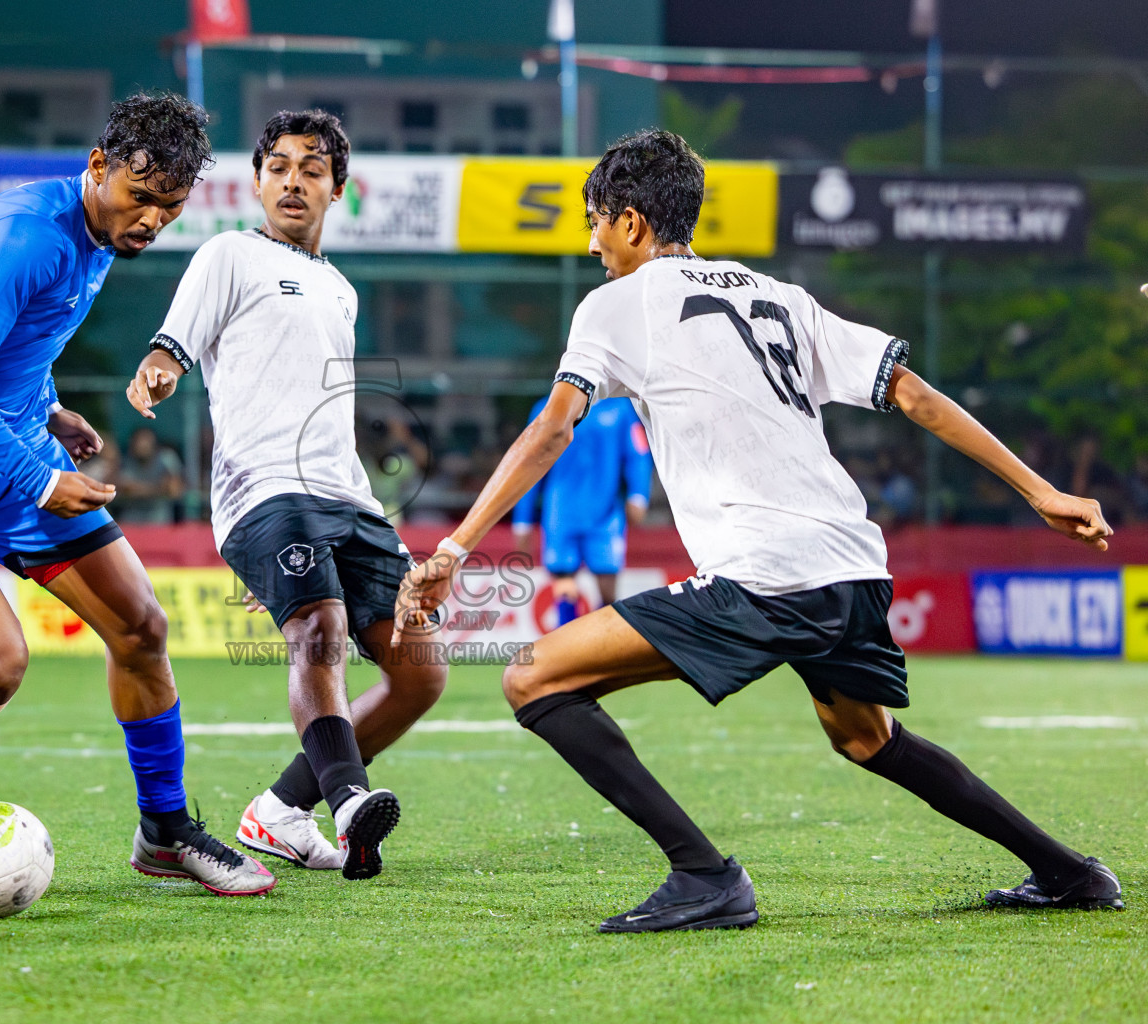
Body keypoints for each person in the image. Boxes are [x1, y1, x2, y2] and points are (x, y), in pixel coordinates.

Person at [397, 129, 1122, 933]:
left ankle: (704, 875)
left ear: (632, 222)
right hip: (851, 564)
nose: (592, 240)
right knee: (866, 737)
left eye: (596, 219)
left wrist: (456, 547)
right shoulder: (780, 295)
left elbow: (552, 429)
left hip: (767, 571)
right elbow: (911, 394)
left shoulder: (618, 302)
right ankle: (1069, 872)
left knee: (532, 678)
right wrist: (1041, 490)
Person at [0, 93, 275, 896]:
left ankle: (166, 831)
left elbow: (15, 341)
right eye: (140, 199)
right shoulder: (29, 235)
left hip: (3, 442)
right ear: (98, 167)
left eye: (169, 208)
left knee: (142, 627)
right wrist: (37, 472)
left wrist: (48, 409)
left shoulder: (101, 235)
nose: (151, 221)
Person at [127, 110, 448, 880]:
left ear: (339, 187)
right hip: (262, 489)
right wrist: (161, 366)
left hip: (351, 498)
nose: (293, 181)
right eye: (277, 166)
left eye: (311, 168)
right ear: (258, 180)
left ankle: (279, 812)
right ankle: (348, 803)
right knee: (319, 628)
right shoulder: (229, 254)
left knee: (421, 671)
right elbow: (176, 338)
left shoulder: (341, 290)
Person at [512, 396, 652, 624]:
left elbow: (638, 455)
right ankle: (569, 653)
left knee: (608, 589)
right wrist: (522, 519)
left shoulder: (619, 408)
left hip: (605, 516)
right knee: (565, 587)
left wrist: (638, 495)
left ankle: (603, 652)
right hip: (561, 515)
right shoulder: (549, 407)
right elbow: (530, 464)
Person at [113, 426, 184, 524]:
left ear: (154, 443)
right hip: (131, 520)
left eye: (146, 441)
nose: (142, 445)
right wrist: (158, 488)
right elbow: (122, 489)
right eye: (139, 441)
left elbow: (174, 491)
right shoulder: (125, 462)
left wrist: (137, 489)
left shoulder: (167, 458)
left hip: (160, 521)